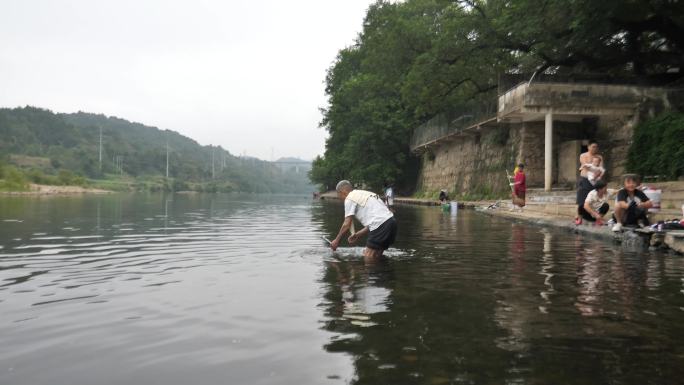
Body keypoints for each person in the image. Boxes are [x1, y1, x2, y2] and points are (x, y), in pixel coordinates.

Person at [330, 180, 398, 259]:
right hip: (392, 223)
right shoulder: (366, 194)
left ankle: (363, 271)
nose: (340, 199)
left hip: (381, 226)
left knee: (368, 257)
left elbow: (346, 224)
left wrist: (336, 240)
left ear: (342, 191)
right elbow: (376, 221)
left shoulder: (350, 198)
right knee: (377, 256)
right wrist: (358, 235)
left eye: (339, 195)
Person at [575, 140, 603, 225]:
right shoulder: (583, 155)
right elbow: (585, 166)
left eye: (596, 147)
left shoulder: (599, 157)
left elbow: (601, 167)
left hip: (595, 180)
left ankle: (597, 217)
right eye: (593, 147)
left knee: (595, 199)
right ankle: (579, 217)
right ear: (588, 147)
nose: (595, 148)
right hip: (585, 179)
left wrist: (597, 175)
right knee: (581, 199)